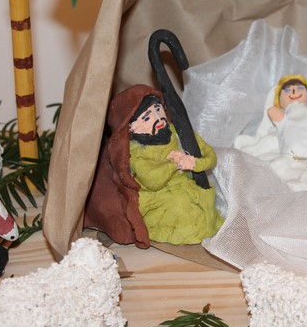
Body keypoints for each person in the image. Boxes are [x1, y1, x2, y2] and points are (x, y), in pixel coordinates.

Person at [84, 85, 223, 246]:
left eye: (158, 109)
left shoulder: (177, 132)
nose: (158, 118)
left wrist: (195, 163)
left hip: (187, 187)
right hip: (158, 198)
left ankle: (206, 226)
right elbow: (153, 180)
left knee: (207, 198)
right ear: (131, 128)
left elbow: (210, 155)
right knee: (180, 206)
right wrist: (174, 163)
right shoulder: (134, 153)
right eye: (146, 118)